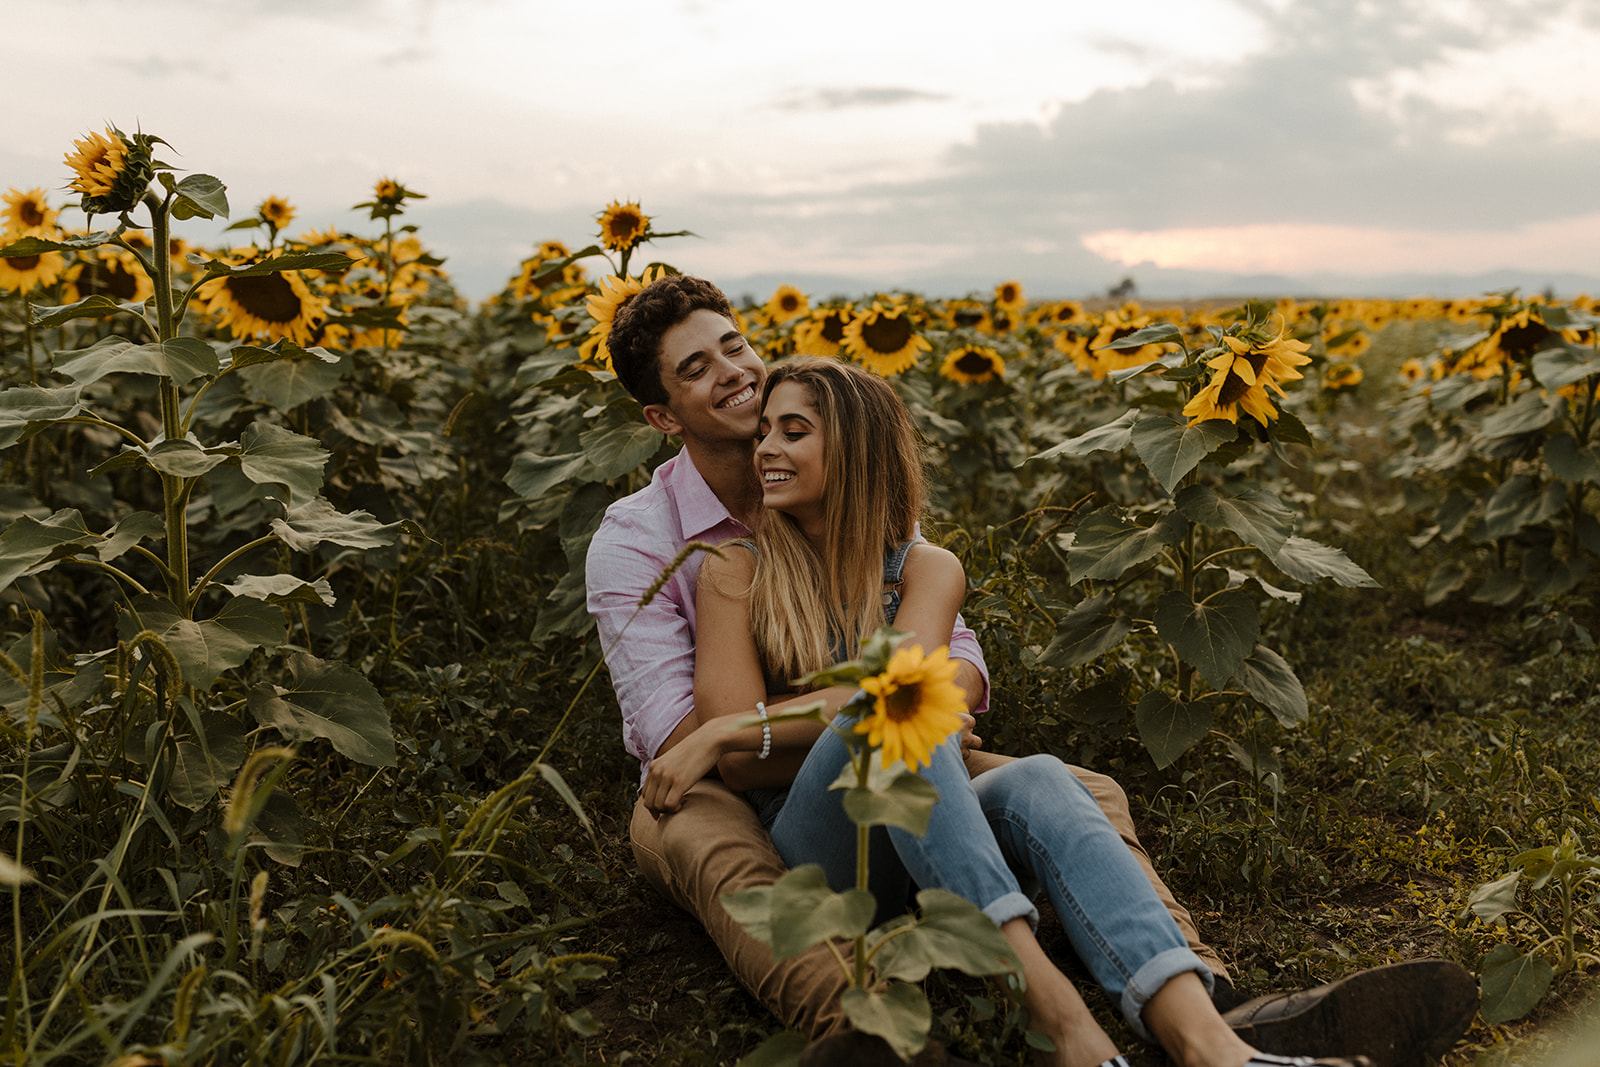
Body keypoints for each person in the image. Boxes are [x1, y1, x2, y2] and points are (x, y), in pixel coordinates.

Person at [584, 275, 1477, 1065]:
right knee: (722, 831)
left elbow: (951, 665)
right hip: (726, 793)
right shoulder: (650, 543)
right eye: (696, 368)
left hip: (870, 751)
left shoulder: (894, 546)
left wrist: (915, 695)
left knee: (1059, 781)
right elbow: (692, 745)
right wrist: (851, 709)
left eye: (735, 345)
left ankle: (1209, 1016)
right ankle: (876, 1028)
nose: (732, 372)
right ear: (663, 416)